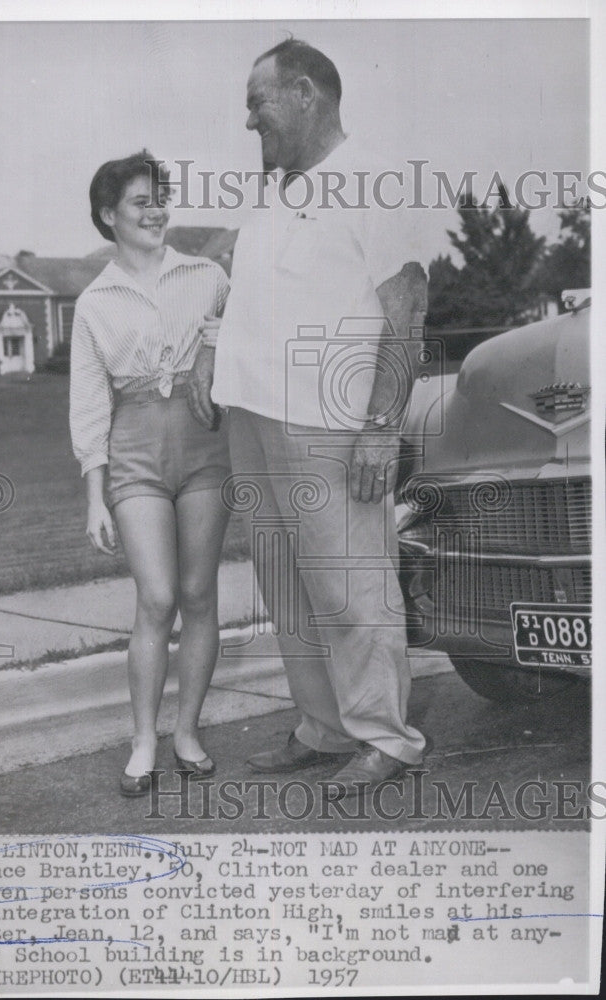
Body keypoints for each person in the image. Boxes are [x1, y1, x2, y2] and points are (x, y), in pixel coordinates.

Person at [188, 39, 431, 800]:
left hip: (329, 419)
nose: (249, 118)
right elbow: (239, 290)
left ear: (304, 93)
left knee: (350, 581)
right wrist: (208, 351)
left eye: (258, 101)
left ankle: (386, 737)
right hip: (253, 417)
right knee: (289, 587)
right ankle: (325, 729)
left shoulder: (375, 183)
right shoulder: (274, 193)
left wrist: (382, 426)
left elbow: (408, 312)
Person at [70, 151, 231, 797]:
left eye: (160, 197)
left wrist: (215, 344)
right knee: (157, 598)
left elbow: (238, 331)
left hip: (205, 447)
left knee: (199, 596)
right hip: (135, 451)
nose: (156, 209)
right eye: (141, 200)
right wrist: (95, 496)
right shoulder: (95, 300)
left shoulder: (207, 274)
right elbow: (89, 403)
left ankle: (187, 731)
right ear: (110, 215)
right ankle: (143, 741)